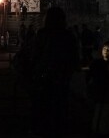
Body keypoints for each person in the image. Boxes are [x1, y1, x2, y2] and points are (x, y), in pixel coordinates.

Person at [30, 7, 80, 138]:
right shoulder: (68, 36)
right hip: (62, 79)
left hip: (44, 80)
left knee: (43, 112)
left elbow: (34, 56)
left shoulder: (42, 34)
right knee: (60, 111)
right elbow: (74, 59)